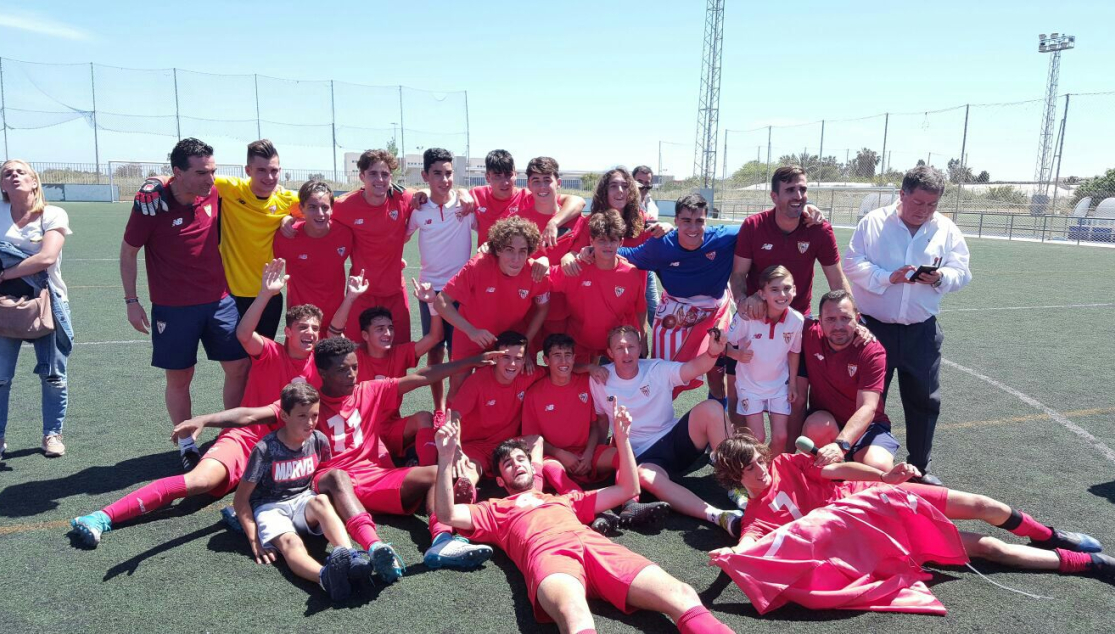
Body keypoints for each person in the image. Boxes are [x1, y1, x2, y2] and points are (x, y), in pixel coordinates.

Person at [162, 337, 498, 575]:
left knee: (438, 473)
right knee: (336, 476)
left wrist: (470, 361)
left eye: (354, 367)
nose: (352, 375)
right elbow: (252, 415)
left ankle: (441, 540)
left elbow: (421, 377)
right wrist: (205, 419)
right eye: (343, 370)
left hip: (375, 476)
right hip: (332, 482)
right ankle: (374, 546)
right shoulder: (309, 404)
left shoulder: (370, 389)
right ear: (322, 374)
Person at [433, 405, 735, 633]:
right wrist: (445, 461)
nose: (517, 465)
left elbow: (628, 488)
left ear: (532, 466)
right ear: (500, 480)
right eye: (508, 464)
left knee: (681, 593)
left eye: (521, 459)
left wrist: (623, 439)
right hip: (548, 557)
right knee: (575, 616)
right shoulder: (493, 508)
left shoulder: (564, 500)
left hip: (596, 546)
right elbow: (447, 514)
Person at [709, 431, 1113, 595]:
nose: (760, 469)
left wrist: (886, 478)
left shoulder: (787, 464)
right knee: (989, 548)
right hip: (877, 533)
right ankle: (1088, 564)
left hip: (879, 494)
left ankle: (1048, 533)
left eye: (758, 460)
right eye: (749, 468)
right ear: (735, 477)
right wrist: (728, 560)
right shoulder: (759, 515)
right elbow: (750, 544)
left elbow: (836, 469)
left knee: (983, 506)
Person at [120, 137, 249, 471]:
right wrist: (131, 301)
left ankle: (232, 433)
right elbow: (129, 252)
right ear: (177, 173)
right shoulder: (150, 205)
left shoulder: (214, 194)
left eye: (213, 171)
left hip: (220, 302)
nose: (210, 179)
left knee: (239, 366)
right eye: (202, 173)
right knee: (180, 377)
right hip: (172, 309)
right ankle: (187, 443)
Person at [843, 165, 972, 486]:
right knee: (866, 401)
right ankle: (854, 467)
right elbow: (852, 263)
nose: (924, 211)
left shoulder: (946, 229)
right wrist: (889, 277)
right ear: (902, 194)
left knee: (925, 401)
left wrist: (941, 277)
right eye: (918, 203)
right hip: (873, 330)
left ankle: (919, 468)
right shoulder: (873, 223)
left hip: (922, 332)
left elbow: (962, 271)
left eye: (931, 205)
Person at [728, 165, 850, 445]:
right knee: (735, 392)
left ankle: (790, 464)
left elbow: (837, 280)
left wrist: (853, 319)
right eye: (790, 190)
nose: (798, 195)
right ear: (774, 196)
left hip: (797, 322)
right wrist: (745, 301)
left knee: (797, 394)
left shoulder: (819, 229)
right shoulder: (754, 226)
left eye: (803, 189)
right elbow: (738, 274)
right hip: (754, 317)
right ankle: (742, 459)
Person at [133, 139, 301, 339]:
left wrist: (289, 218)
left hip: (269, 295)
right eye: (261, 170)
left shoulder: (290, 199)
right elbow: (181, 177)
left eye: (274, 170)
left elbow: (322, 206)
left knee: (260, 361)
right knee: (237, 364)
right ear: (248, 170)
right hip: (231, 296)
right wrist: (153, 183)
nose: (269, 177)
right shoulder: (231, 188)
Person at [587, 325, 743, 536]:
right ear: (610, 353)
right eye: (620, 348)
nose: (627, 353)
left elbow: (694, 368)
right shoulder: (598, 381)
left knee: (712, 408)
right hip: (646, 457)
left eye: (631, 346)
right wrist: (596, 454)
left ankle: (737, 484)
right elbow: (601, 421)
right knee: (643, 475)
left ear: (640, 347)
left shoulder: (655, 368)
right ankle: (717, 515)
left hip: (675, 439)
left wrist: (713, 352)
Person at [232, 383, 360, 602]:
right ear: (284, 415)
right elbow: (240, 500)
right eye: (302, 415)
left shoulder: (319, 440)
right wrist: (254, 538)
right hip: (269, 506)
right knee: (292, 543)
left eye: (314, 415)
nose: (310, 422)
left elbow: (323, 476)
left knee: (321, 501)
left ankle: (350, 557)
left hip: (302, 500)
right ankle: (325, 577)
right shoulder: (265, 449)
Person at [611, 193, 736, 398]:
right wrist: (586, 251)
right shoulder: (661, 245)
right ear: (675, 221)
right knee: (664, 377)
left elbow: (758, 227)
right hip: (674, 313)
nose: (693, 228)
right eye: (686, 221)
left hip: (714, 310)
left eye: (699, 221)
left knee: (715, 370)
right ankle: (659, 423)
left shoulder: (723, 237)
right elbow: (627, 255)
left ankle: (720, 422)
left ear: (707, 220)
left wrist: (805, 212)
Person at [327, 274, 444, 466]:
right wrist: (351, 297)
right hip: (360, 429)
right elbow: (333, 334)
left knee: (424, 418)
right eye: (380, 329)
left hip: (391, 427)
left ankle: (427, 471)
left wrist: (431, 303)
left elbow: (435, 337)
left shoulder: (400, 353)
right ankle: (406, 461)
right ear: (365, 335)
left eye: (390, 327)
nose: (388, 333)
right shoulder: (354, 355)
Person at [0, 159, 74, 459]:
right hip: (5, 306)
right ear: (2, 185)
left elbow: (46, 257)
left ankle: (52, 434)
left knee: (54, 375)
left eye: (21, 172)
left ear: (34, 182)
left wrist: (4, 274)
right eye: (7, 173)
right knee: (1, 377)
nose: (14, 176)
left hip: (48, 302)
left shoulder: (52, 213)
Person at [433, 216, 551, 398]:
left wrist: (524, 343)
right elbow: (441, 302)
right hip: (471, 337)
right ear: (497, 250)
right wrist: (471, 331)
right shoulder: (478, 265)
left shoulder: (535, 272)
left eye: (523, 251)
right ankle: (450, 424)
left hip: (508, 339)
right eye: (509, 250)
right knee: (458, 387)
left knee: (509, 389)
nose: (516, 258)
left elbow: (543, 307)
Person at [406, 147, 475, 412]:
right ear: (425, 175)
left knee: (460, 352)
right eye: (437, 174)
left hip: (461, 292)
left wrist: (466, 194)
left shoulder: (466, 205)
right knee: (435, 350)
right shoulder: (418, 208)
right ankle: (438, 408)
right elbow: (400, 236)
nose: (444, 180)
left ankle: (456, 407)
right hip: (430, 291)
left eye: (448, 173)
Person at [799, 290, 897, 472]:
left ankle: (850, 459)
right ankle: (822, 488)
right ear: (819, 320)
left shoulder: (871, 351)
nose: (838, 326)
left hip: (867, 426)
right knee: (817, 425)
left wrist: (841, 444)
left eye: (845, 318)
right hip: (827, 420)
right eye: (831, 319)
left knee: (878, 468)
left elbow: (868, 407)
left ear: (857, 318)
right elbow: (778, 311)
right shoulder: (810, 333)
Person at [446, 331, 546, 498]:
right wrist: (456, 448)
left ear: (524, 359)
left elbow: (555, 371)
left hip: (507, 446)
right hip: (475, 445)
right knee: (472, 469)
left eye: (518, 358)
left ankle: (535, 491)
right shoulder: (477, 381)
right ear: (496, 358)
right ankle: (465, 490)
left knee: (536, 440)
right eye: (506, 357)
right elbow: (455, 414)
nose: (512, 364)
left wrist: (589, 368)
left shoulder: (526, 374)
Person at [329, 149, 416, 342]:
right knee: (357, 353)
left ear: (391, 177)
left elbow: (428, 195)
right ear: (362, 176)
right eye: (373, 174)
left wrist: (462, 193)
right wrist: (286, 220)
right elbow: (310, 212)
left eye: (385, 174)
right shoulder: (344, 205)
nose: (380, 179)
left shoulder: (403, 199)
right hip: (361, 292)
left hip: (395, 292)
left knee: (399, 352)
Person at [548, 209, 647, 364]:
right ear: (591, 241)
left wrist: (644, 340)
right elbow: (542, 276)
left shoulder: (630, 273)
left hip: (615, 344)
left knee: (618, 384)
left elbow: (640, 309)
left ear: (621, 242)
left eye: (613, 240)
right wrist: (539, 261)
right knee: (578, 383)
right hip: (580, 342)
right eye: (601, 240)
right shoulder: (576, 268)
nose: (607, 246)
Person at [723, 265, 803, 455]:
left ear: (795, 290)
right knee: (757, 437)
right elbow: (723, 344)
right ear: (762, 293)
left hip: (778, 386)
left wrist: (792, 384)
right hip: (750, 386)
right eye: (774, 289)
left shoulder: (797, 320)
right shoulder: (746, 317)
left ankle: (766, 475)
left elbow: (793, 351)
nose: (782, 294)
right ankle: (752, 475)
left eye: (787, 288)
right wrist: (736, 355)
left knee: (780, 438)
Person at [271, 180, 353, 330]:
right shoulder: (286, 236)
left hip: (335, 322)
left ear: (332, 209)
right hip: (301, 323)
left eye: (325, 207)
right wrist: (285, 218)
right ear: (301, 208)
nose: (320, 214)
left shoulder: (345, 234)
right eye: (312, 207)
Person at [468, 149, 583, 250]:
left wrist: (553, 222)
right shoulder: (476, 194)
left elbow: (578, 201)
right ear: (488, 177)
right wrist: (461, 193)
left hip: (517, 264)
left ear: (515, 174)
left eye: (509, 175)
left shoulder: (530, 196)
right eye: (498, 176)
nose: (505, 182)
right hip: (487, 263)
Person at [632, 165, 661, 325]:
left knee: (654, 312)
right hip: (624, 264)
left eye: (647, 183)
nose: (644, 186)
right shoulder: (622, 202)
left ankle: (660, 347)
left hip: (645, 267)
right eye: (639, 182)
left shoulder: (652, 206)